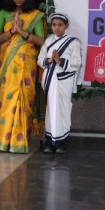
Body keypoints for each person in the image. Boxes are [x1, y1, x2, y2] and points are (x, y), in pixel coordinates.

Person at [0, 0, 45, 153]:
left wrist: (22, 32)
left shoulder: (35, 15)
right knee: (8, 99)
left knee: (25, 97)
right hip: (8, 63)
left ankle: (20, 143)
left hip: (27, 63)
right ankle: (4, 141)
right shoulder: (2, 14)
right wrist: (12, 31)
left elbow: (42, 41)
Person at [37, 12, 82, 154]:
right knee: (51, 108)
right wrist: (50, 60)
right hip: (50, 80)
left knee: (63, 109)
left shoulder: (73, 42)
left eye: (60, 25)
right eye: (54, 25)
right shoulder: (48, 41)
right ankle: (50, 141)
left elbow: (77, 63)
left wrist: (59, 61)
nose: (56, 28)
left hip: (64, 81)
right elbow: (40, 59)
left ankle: (63, 141)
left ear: (66, 26)